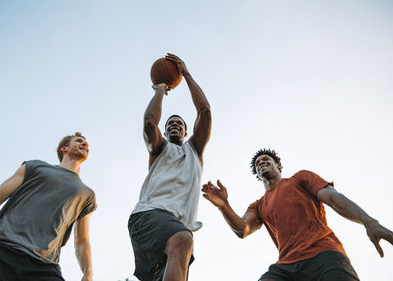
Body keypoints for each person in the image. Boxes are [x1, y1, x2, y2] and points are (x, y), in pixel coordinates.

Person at [202, 148, 393, 281]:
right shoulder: (259, 205)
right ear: (258, 175)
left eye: (266, 159)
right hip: (286, 267)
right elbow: (242, 229)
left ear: (278, 164)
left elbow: (334, 199)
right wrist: (224, 205)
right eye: (258, 164)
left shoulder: (300, 179)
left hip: (325, 256)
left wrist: (369, 222)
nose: (261, 163)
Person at [0, 132, 97, 281]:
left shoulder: (87, 194)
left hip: (44, 266)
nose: (85, 144)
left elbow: (82, 240)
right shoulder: (36, 166)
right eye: (79, 141)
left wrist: (88, 272)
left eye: (86, 144)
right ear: (64, 148)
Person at [128, 53, 212, 281]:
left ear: (186, 132)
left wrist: (186, 74)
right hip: (149, 215)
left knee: (182, 250)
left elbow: (204, 111)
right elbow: (148, 123)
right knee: (184, 239)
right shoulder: (159, 149)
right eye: (170, 124)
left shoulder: (194, 150)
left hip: (174, 232)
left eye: (179, 124)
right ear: (165, 132)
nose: (175, 125)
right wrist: (159, 90)